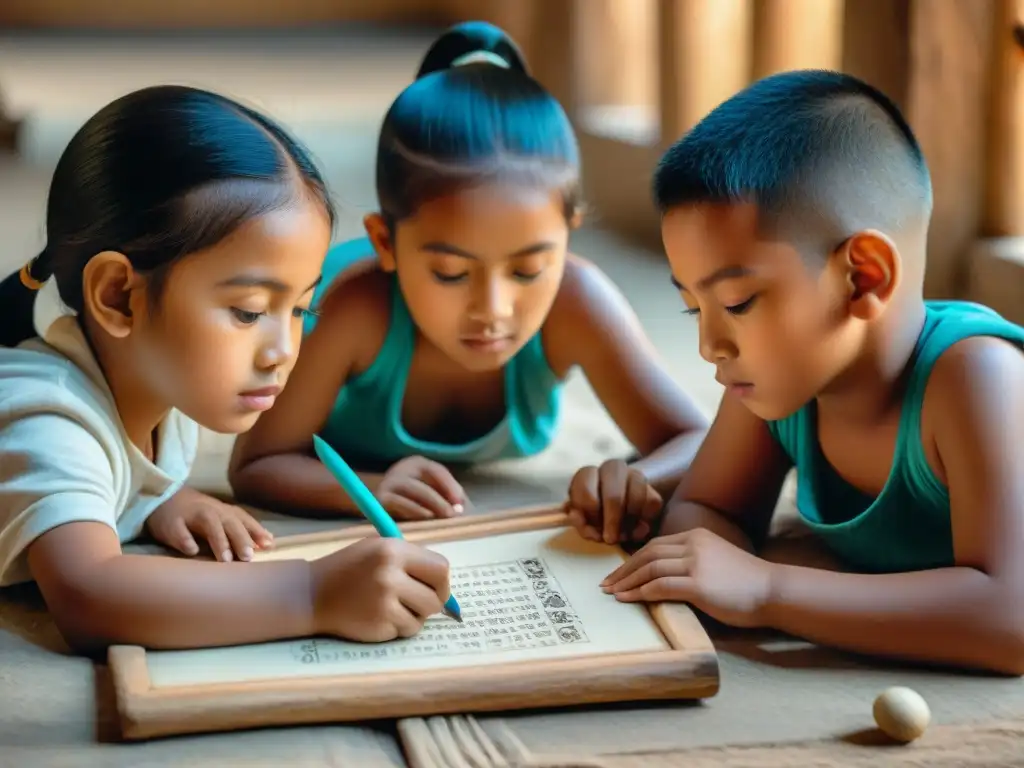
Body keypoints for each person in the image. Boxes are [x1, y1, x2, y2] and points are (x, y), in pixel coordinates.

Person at [0, 85, 455, 654]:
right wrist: (313, 592)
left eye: (298, 309)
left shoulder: (161, 375)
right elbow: (89, 593)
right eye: (249, 312)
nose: (282, 350)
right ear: (118, 297)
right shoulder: (45, 414)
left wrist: (154, 499)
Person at [601, 70, 1024, 675]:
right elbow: (706, 512)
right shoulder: (779, 379)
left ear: (864, 278)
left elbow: (1010, 621)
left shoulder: (976, 379)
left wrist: (768, 590)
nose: (709, 345)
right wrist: (712, 561)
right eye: (694, 309)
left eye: (739, 304)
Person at [228, 21, 710, 544]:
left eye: (527, 270)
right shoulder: (353, 310)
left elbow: (694, 438)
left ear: (568, 238)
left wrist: (636, 478)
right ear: (385, 244)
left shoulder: (577, 301)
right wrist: (372, 489)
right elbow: (260, 462)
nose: (493, 308)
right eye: (451, 273)